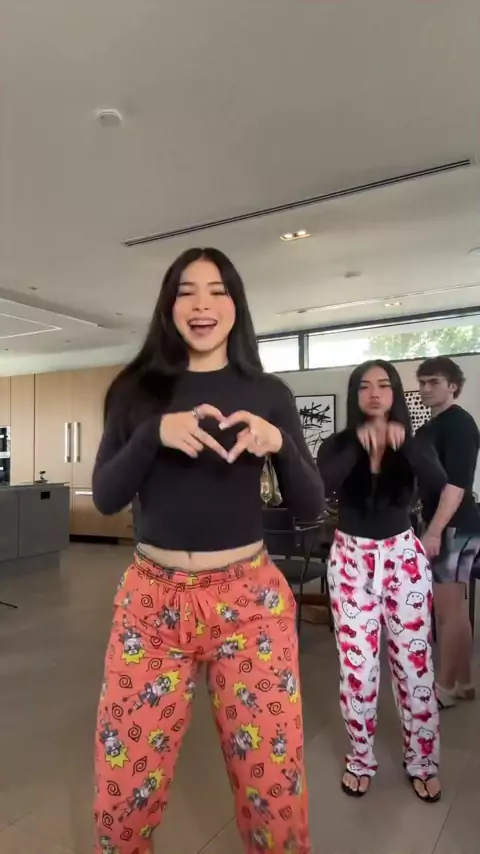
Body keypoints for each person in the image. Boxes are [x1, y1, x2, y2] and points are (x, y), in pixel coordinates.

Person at [91, 247, 324, 854]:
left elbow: (310, 506)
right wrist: (153, 433)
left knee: (273, 793)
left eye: (217, 291)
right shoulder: (134, 390)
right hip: (152, 604)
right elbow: (108, 496)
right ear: (168, 306)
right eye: (186, 291)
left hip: (249, 605)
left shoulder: (268, 393)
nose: (202, 305)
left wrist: (279, 444)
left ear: (236, 305)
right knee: (123, 793)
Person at [317, 360, 446, 803]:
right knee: (357, 670)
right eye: (365, 386)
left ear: (394, 395)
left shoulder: (414, 441)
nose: (374, 393)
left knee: (414, 665)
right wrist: (358, 445)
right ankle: (360, 759)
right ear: (355, 395)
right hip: (350, 561)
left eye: (384, 385)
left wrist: (404, 444)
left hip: (402, 558)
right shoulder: (337, 444)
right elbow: (320, 487)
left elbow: (438, 483)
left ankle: (423, 762)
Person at [416, 356, 480, 708]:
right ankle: (465, 682)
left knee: (447, 611)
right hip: (446, 524)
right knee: (455, 608)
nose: (426, 389)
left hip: (454, 525)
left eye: (434, 382)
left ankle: (445, 687)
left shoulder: (459, 424)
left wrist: (435, 530)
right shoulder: (432, 427)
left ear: (453, 386)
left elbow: (457, 484)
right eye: (422, 382)